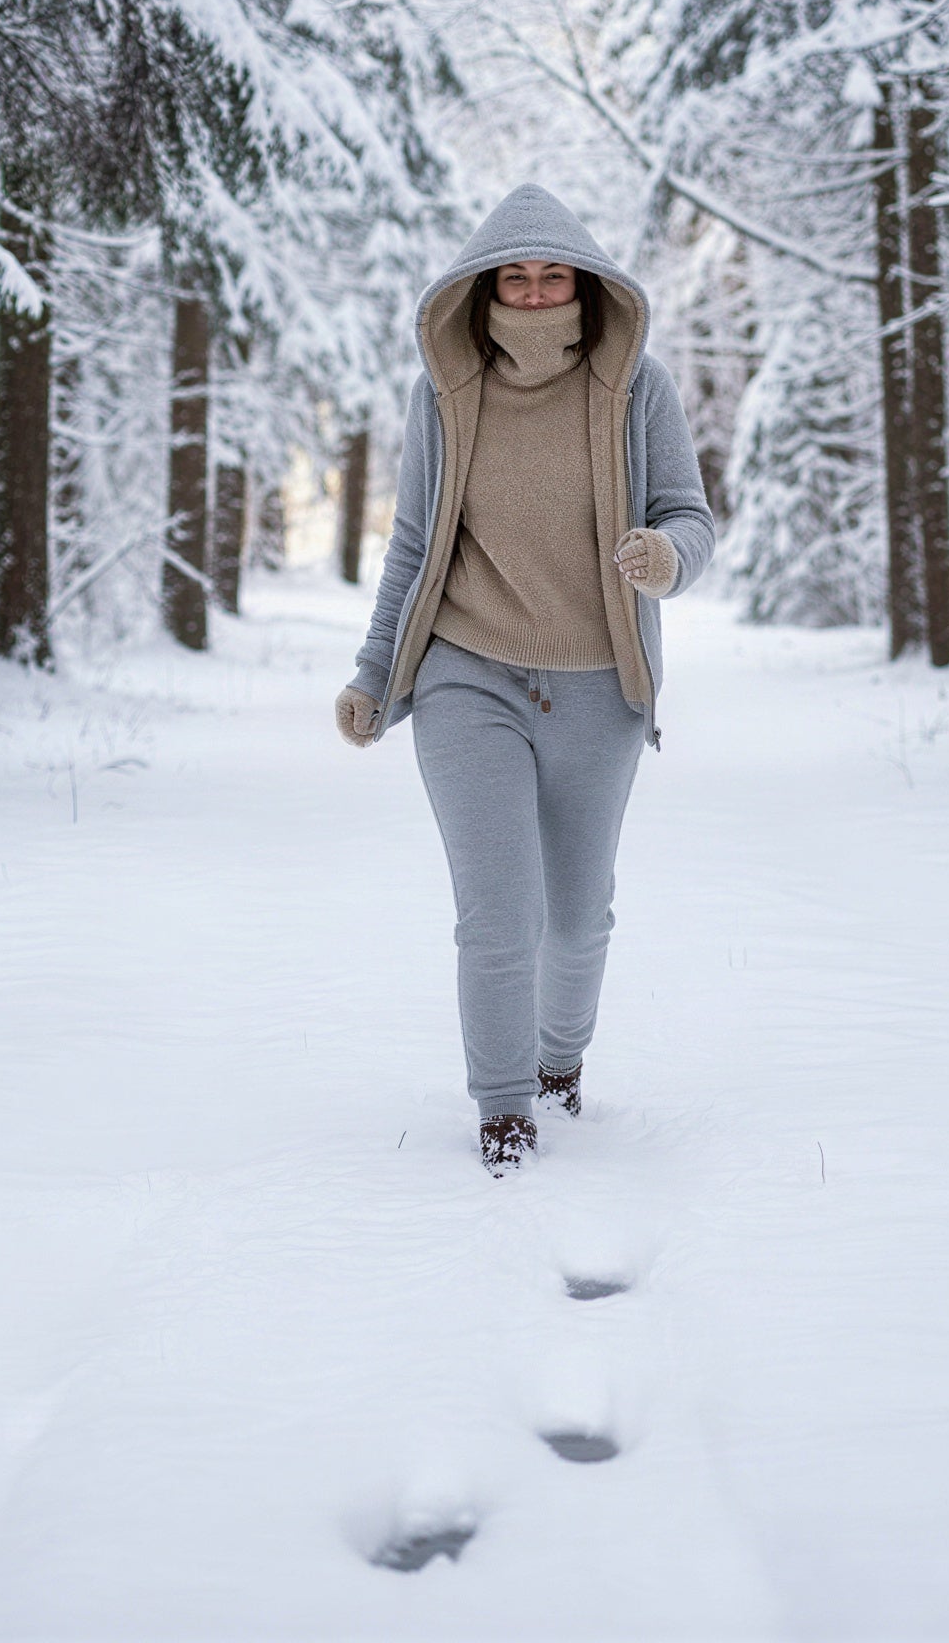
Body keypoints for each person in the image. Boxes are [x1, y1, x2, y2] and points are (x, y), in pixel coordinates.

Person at [334, 184, 715, 1174]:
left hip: (598, 683)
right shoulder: (444, 392)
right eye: (517, 275)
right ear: (484, 285)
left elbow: (689, 512)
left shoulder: (640, 389)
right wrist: (376, 673)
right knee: (500, 911)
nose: (536, 293)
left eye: (553, 277)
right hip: (470, 673)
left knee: (577, 913)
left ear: (583, 287)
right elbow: (414, 541)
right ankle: (504, 1111)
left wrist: (665, 558)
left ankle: (558, 1062)